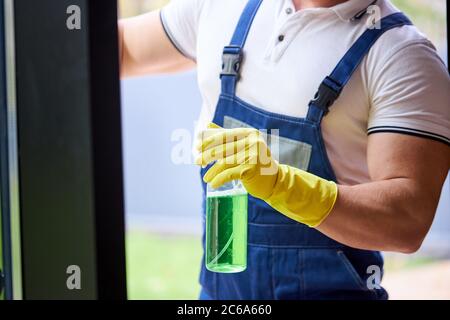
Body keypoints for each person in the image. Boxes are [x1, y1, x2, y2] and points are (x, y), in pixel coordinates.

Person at [119, 0, 450, 299]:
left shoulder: (403, 55)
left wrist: (282, 185)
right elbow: (118, 49)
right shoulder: (220, 7)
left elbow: (407, 219)